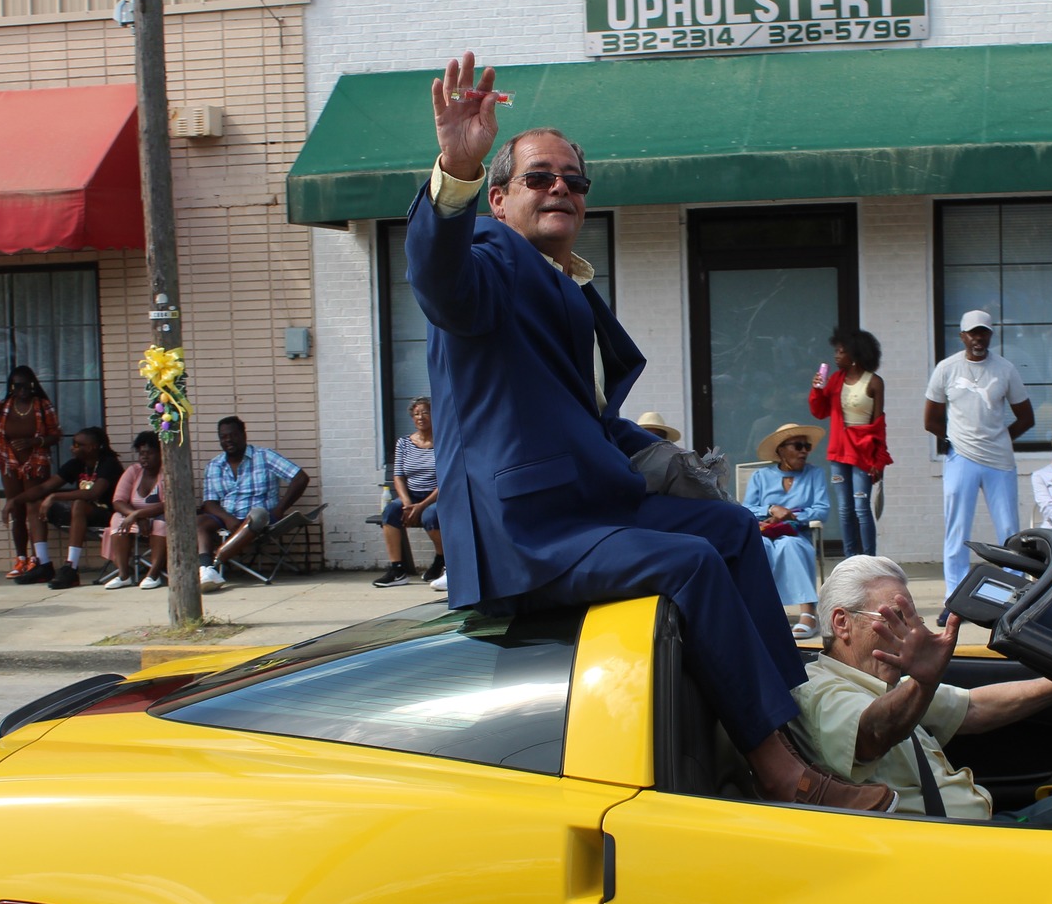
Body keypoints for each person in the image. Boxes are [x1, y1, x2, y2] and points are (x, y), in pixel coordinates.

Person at [406, 50, 888, 811]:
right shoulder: (491, 258)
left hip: (586, 509)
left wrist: (658, 453)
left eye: (574, 180)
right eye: (539, 177)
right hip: (524, 532)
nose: (560, 188)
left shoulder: (567, 284)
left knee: (733, 528)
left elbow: (584, 417)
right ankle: (782, 773)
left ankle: (802, 724)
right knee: (691, 562)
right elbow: (439, 279)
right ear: (498, 199)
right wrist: (454, 171)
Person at [793, 555, 1052, 820]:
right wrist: (923, 683)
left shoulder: (887, 686)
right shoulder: (817, 690)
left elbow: (973, 707)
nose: (911, 633)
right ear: (842, 623)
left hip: (980, 828)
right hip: (945, 844)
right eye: (896, 619)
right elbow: (872, 732)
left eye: (914, 621)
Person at [925, 310, 1033, 597]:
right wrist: (954, 440)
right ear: (962, 336)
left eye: (983, 332)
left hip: (999, 461)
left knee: (1009, 529)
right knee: (957, 529)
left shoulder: (1005, 369)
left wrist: (999, 439)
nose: (978, 338)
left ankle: (1014, 591)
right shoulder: (946, 368)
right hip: (961, 458)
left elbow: (1026, 417)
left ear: (990, 335)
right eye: (972, 333)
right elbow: (930, 420)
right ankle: (955, 594)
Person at [196, 416, 310, 592]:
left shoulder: (265, 456)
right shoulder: (214, 465)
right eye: (223, 437)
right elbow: (209, 503)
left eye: (233, 435)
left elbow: (300, 478)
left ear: (243, 435)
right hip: (228, 518)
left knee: (258, 514)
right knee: (199, 521)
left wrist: (280, 508)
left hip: (260, 518)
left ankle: (216, 562)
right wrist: (227, 519)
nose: (228, 440)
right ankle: (205, 568)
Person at [809, 326, 891, 558]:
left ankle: (869, 558)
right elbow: (819, 412)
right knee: (845, 509)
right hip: (838, 452)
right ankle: (850, 559)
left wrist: (878, 460)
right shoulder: (836, 380)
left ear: (855, 354)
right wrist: (817, 390)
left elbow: (879, 425)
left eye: (841, 351)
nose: (836, 356)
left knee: (861, 508)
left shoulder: (874, 382)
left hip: (863, 453)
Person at [6, 427, 123, 589]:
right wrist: (14, 501)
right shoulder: (76, 464)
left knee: (79, 503)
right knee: (34, 502)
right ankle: (43, 565)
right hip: (80, 514)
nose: (72, 448)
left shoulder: (109, 464)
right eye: (73, 444)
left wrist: (55, 496)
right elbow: (43, 488)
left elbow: (93, 493)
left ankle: (71, 568)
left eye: (78, 445)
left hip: (107, 515)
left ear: (92, 447)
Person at [743, 422, 830, 638]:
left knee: (790, 545)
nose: (804, 451)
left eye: (807, 447)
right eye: (798, 446)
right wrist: (771, 509)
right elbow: (746, 509)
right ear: (781, 450)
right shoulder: (760, 476)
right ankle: (763, 612)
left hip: (797, 533)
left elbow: (822, 510)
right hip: (765, 532)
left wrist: (792, 515)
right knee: (760, 547)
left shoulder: (815, 474)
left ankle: (808, 613)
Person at [0, 366, 60, 581]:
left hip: (36, 463)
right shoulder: (1, 408)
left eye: (27, 385)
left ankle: (38, 559)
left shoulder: (43, 406)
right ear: (11, 387)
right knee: (16, 511)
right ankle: (21, 558)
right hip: (8, 463)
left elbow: (55, 435)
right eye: (17, 385)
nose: (23, 390)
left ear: (33, 385)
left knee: (34, 509)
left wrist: (33, 441)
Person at [375, 397, 444, 588]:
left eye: (425, 412)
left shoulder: (444, 442)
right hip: (411, 496)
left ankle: (441, 559)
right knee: (390, 512)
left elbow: (446, 479)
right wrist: (407, 504)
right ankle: (397, 570)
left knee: (430, 515)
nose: (420, 417)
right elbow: (398, 476)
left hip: (437, 496)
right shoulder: (404, 443)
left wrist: (421, 506)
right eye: (416, 414)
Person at [103, 431, 167, 590]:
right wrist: (136, 516)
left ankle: (153, 574)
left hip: (159, 517)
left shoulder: (166, 472)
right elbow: (118, 501)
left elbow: (168, 505)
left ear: (161, 453)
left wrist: (138, 514)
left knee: (161, 522)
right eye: (141, 453)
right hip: (136, 519)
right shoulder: (133, 471)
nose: (144, 457)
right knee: (117, 518)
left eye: (149, 453)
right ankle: (123, 575)